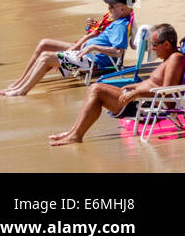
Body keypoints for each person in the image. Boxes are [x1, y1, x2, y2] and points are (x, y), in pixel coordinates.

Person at [48, 22, 185, 145]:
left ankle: (76, 135)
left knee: (97, 90)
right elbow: (155, 84)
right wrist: (134, 87)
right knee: (94, 88)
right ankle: (73, 132)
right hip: (141, 99)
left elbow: (168, 95)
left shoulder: (175, 59)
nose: (152, 48)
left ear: (167, 44)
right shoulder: (168, 59)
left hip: (146, 104)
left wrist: (137, 93)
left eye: (154, 45)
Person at [0, 0, 134, 96]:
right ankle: (19, 88)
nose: (108, 9)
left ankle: (21, 91)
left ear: (123, 8)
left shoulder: (120, 25)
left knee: (47, 58)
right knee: (46, 55)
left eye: (111, 6)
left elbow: (118, 52)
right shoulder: (117, 22)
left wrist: (93, 46)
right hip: (88, 58)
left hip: (94, 62)